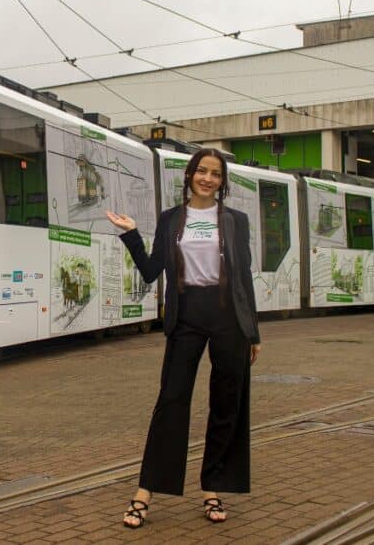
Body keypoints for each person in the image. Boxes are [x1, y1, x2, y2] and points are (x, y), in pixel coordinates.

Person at [105, 147, 261, 528]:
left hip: (229, 318)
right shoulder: (172, 219)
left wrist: (252, 331)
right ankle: (145, 491)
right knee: (171, 401)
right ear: (190, 175)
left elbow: (243, 278)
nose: (208, 178)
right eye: (201, 171)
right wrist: (131, 235)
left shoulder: (236, 221)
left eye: (216, 174)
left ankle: (212, 487)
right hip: (187, 316)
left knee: (227, 405)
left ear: (222, 182)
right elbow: (150, 270)